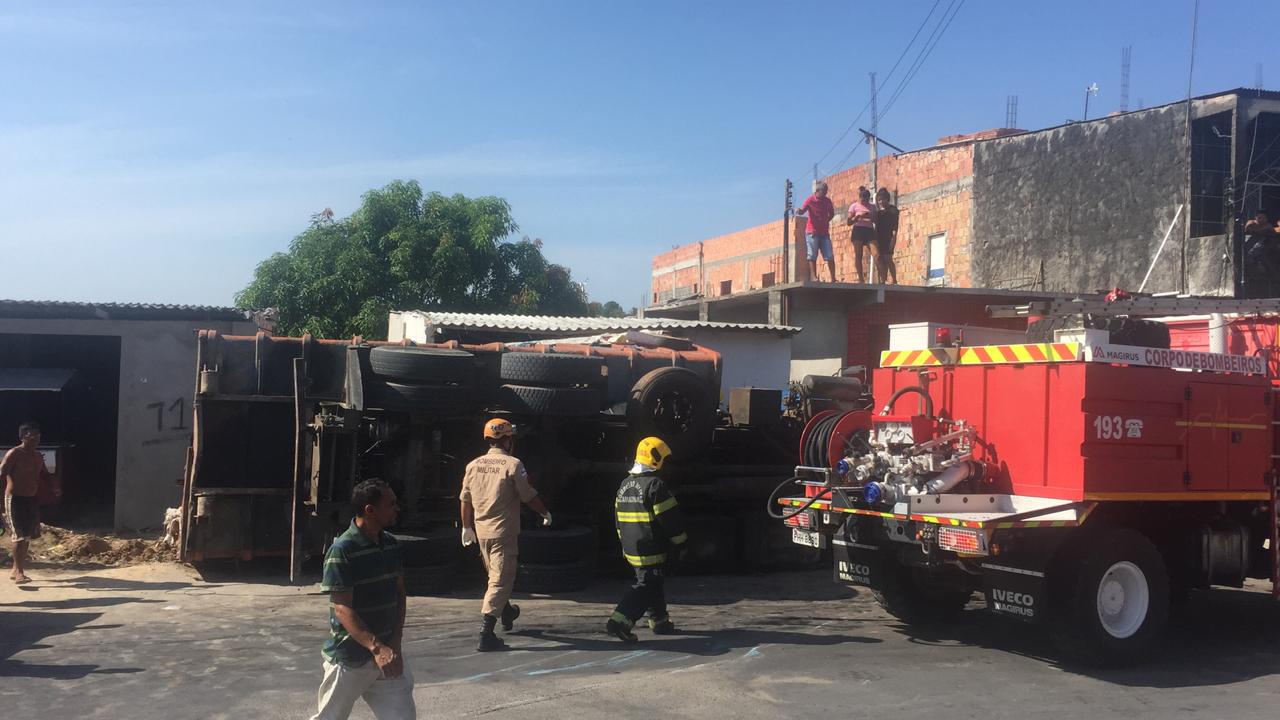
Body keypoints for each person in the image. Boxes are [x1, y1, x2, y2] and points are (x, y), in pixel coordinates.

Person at [311, 479, 415, 720]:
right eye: (391, 504)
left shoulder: (391, 544)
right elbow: (342, 609)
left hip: (387, 655)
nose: (397, 509)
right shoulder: (342, 550)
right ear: (370, 510)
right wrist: (376, 648)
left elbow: (399, 593)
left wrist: (395, 642)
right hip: (350, 658)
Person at [460, 418, 552, 652]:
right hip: (503, 532)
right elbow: (527, 495)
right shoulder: (513, 464)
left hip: (481, 532)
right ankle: (486, 633)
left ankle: (507, 611)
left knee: (495, 576)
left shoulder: (473, 465)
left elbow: (465, 499)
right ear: (509, 440)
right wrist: (544, 512)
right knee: (500, 580)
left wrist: (466, 526)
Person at [604, 436, 688, 644]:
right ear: (656, 459)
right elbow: (670, 520)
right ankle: (619, 622)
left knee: (653, 581)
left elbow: (617, 519)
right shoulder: (655, 486)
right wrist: (681, 541)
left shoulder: (625, 484)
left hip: (632, 546)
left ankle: (659, 621)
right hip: (650, 546)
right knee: (647, 584)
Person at [2, 422, 56, 584]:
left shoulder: (38, 456)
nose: (36, 439)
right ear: (23, 436)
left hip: (31, 499)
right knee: (19, 536)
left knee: (27, 536)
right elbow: (1, 473)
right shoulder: (14, 454)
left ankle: (15, 568)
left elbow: (45, 475)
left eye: (38, 436)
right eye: (32, 435)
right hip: (15, 499)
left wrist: (55, 488)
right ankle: (19, 571)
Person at [796, 181, 837, 282]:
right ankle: (813, 277)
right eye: (824, 191)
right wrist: (799, 211)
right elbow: (803, 210)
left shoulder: (827, 201)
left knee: (830, 255)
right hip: (812, 232)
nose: (825, 193)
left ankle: (833, 278)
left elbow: (832, 213)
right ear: (817, 191)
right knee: (812, 255)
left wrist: (825, 220)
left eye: (826, 191)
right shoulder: (810, 200)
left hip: (824, 233)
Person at [847, 186, 878, 283]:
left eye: (866, 200)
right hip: (858, 230)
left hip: (869, 230)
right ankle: (861, 279)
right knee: (858, 254)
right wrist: (857, 217)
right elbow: (848, 222)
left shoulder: (872, 206)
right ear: (860, 197)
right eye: (862, 199)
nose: (864, 202)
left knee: (876, 254)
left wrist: (870, 216)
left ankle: (881, 278)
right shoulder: (854, 206)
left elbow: (876, 220)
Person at [1244, 211, 1280, 284]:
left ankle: (1273, 274)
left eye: (1264, 218)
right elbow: (1250, 230)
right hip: (1249, 248)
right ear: (1256, 218)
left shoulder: (1268, 225)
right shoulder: (1251, 223)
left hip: (1262, 248)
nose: (1262, 219)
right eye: (1260, 217)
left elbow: (1274, 233)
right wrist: (1264, 230)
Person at [873, 188, 900, 285]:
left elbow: (895, 226)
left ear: (887, 199)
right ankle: (883, 280)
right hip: (879, 238)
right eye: (879, 200)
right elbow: (876, 225)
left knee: (888, 258)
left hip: (889, 237)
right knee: (881, 259)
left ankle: (894, 280)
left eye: (882, 199)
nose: (881, 202)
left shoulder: (893, 210)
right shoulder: (878, 213)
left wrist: (894, 238)